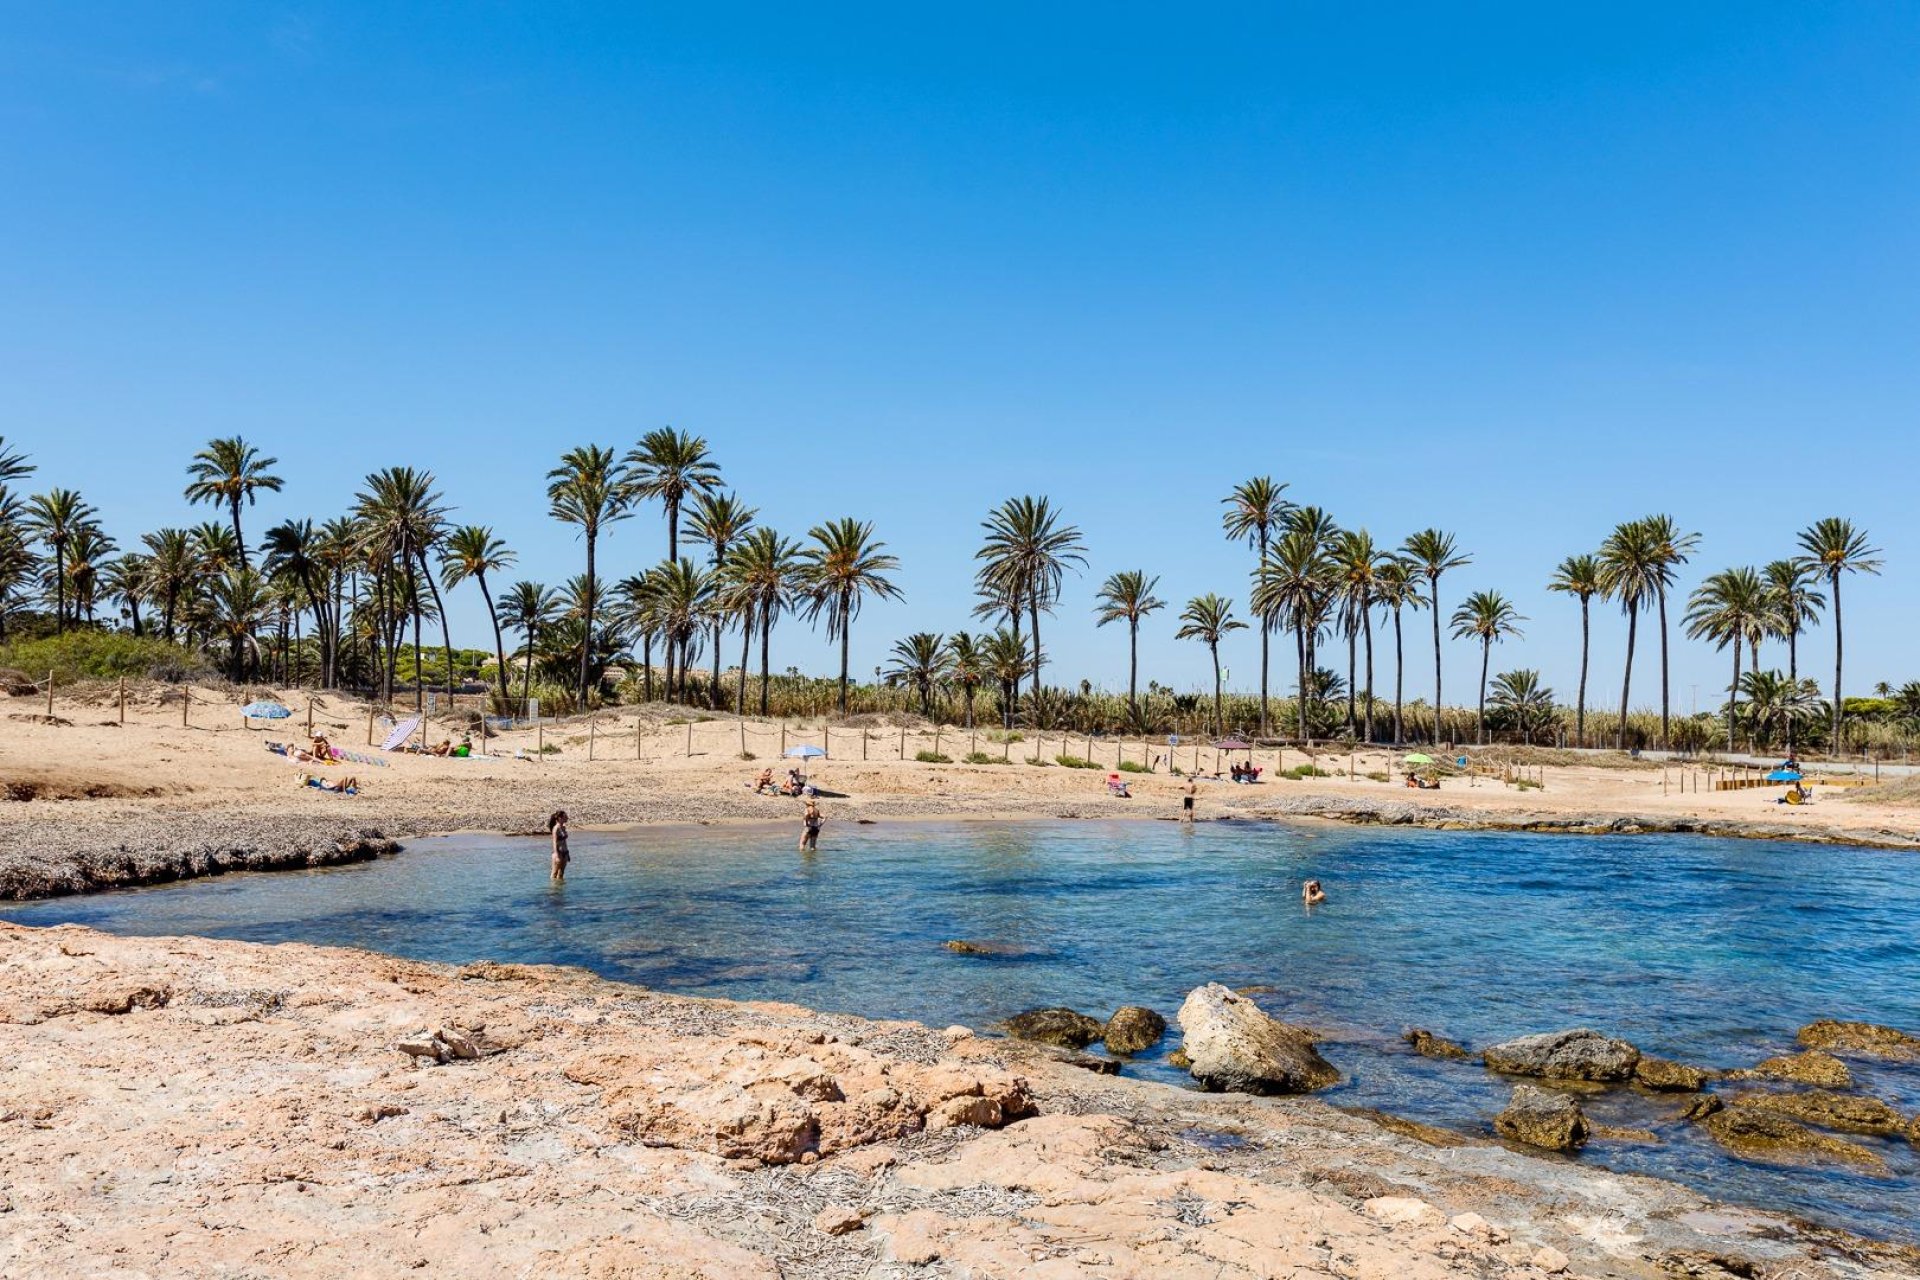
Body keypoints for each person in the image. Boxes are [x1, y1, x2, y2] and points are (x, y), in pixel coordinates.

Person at [548, 810, 570, 882]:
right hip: (558, 853)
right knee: (554, 873)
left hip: (565, 852)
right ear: (560, 818)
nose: (567, 818)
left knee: (561, 873)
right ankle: (553, 890)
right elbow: (554, 842)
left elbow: (564, 841)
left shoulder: (563, 827)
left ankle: (560, 890)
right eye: (565, 817)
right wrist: (557, 855)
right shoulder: (555, 828)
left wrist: (568, 853)